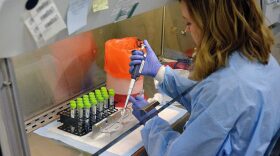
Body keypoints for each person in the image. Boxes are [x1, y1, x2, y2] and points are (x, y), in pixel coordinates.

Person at [128, 0, 280, 155]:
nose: (187, 30)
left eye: (189, 23)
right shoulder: (266, 62)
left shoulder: (224, 87)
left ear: (212, 26)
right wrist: (160, 72)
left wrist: (152, 123)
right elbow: (208, 102)